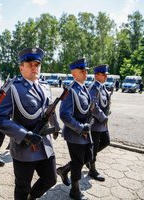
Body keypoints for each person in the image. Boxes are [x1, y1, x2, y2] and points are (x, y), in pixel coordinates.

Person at [0, 47, 60, 200]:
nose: (34, 68)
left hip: (45, 145)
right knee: (23, 187)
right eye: (30, 64)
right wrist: (24, 135)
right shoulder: (13, 88)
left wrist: (55, 125)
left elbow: (50, 109)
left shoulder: (45, 86)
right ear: (21, 67)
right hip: (24, 147)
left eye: (37, 65)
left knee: (50, 179)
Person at [57, 58, 93, 200]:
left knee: (89, 157)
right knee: (78, 162)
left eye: (86, 71)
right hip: (74, 133)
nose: (85, 73)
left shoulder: (84, 88)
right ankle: (75, 190)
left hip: (85, 132)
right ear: (74, 73)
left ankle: (64, 169)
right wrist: (80, 128)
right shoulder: (70, 90)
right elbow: (64, 115)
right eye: (82, 71)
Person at [87, 64, 111, 182]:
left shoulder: (103, 87)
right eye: (104, 74)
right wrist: (103, 117)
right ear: (97, 75)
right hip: (95, 124)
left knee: (106, 142)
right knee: (94, 147)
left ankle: (88, 159)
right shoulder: (94, 88)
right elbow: (93, 106)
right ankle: (92, 169)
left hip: (102, 124)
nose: (106, 76)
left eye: (106, 74)